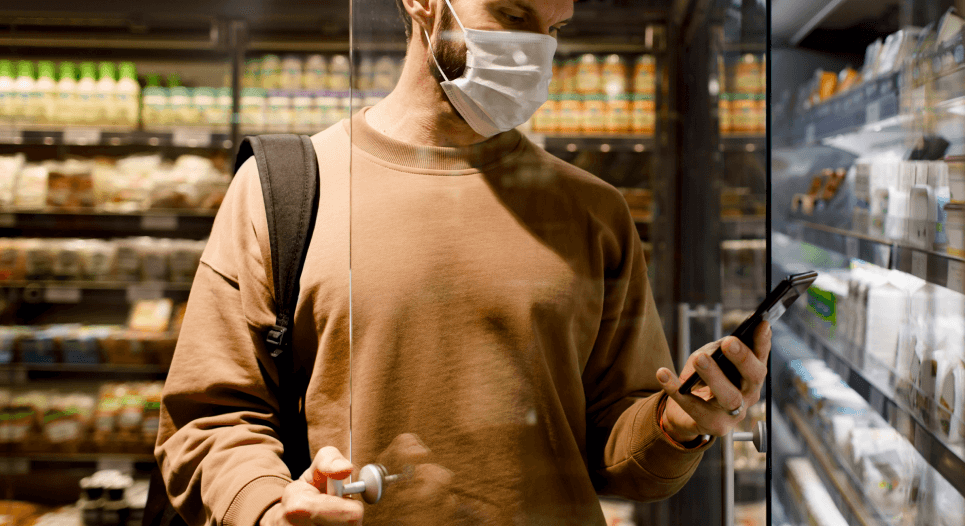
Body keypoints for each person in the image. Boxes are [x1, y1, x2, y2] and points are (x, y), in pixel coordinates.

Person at [155, 0, 773, 524]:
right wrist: (266, 507)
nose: (534, 49)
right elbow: (207, 423)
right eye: (511, 13)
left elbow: (616, 452)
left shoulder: (594, 212)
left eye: (553, 28)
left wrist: (677, 420)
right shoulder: (281, 192)